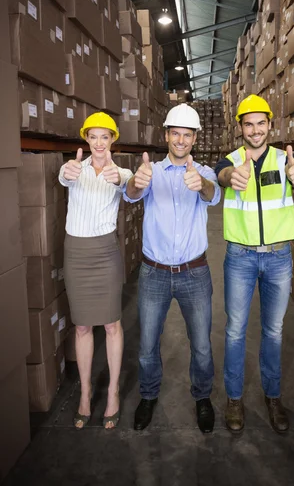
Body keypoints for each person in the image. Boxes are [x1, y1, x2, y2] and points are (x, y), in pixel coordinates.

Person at [123, 103, 221, 433]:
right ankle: (148, 396)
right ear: (166, 135)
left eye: (187, 135)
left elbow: (213, 194)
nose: (180, 140)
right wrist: (137, 181)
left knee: (202, 345)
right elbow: (132, 194)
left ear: (195, 139)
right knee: (148, 345)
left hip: (195, 273)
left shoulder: (202, 172)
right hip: (154, 273)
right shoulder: (150, 171)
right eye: (175, 133)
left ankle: (202, 398)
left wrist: (201, 185)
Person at [215, 94, 294, 434]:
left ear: (270, 125)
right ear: (240, 127)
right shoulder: (230, 159)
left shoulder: (287, 159)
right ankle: (234, 399)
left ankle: (273, 396)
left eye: (261, 123)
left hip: (279, 257)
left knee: (274, 331)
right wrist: (229, 176)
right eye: (248, 124)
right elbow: (220, 174)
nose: (255, 130)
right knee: (235, 331)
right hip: (240, 257)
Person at [59, 112, 133, 430]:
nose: (99, 143)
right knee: (82, 328)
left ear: (113, 139)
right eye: (94, 137)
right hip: (76, 253)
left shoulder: (121, 172)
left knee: (112, 325)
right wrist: (66, 170)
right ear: (86, 139)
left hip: (105, 253)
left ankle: (113, 392)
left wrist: (125, 181)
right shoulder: (75, 169)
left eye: (105, 137)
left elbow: (132, 190)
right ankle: (86, 394)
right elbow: (64, 176)